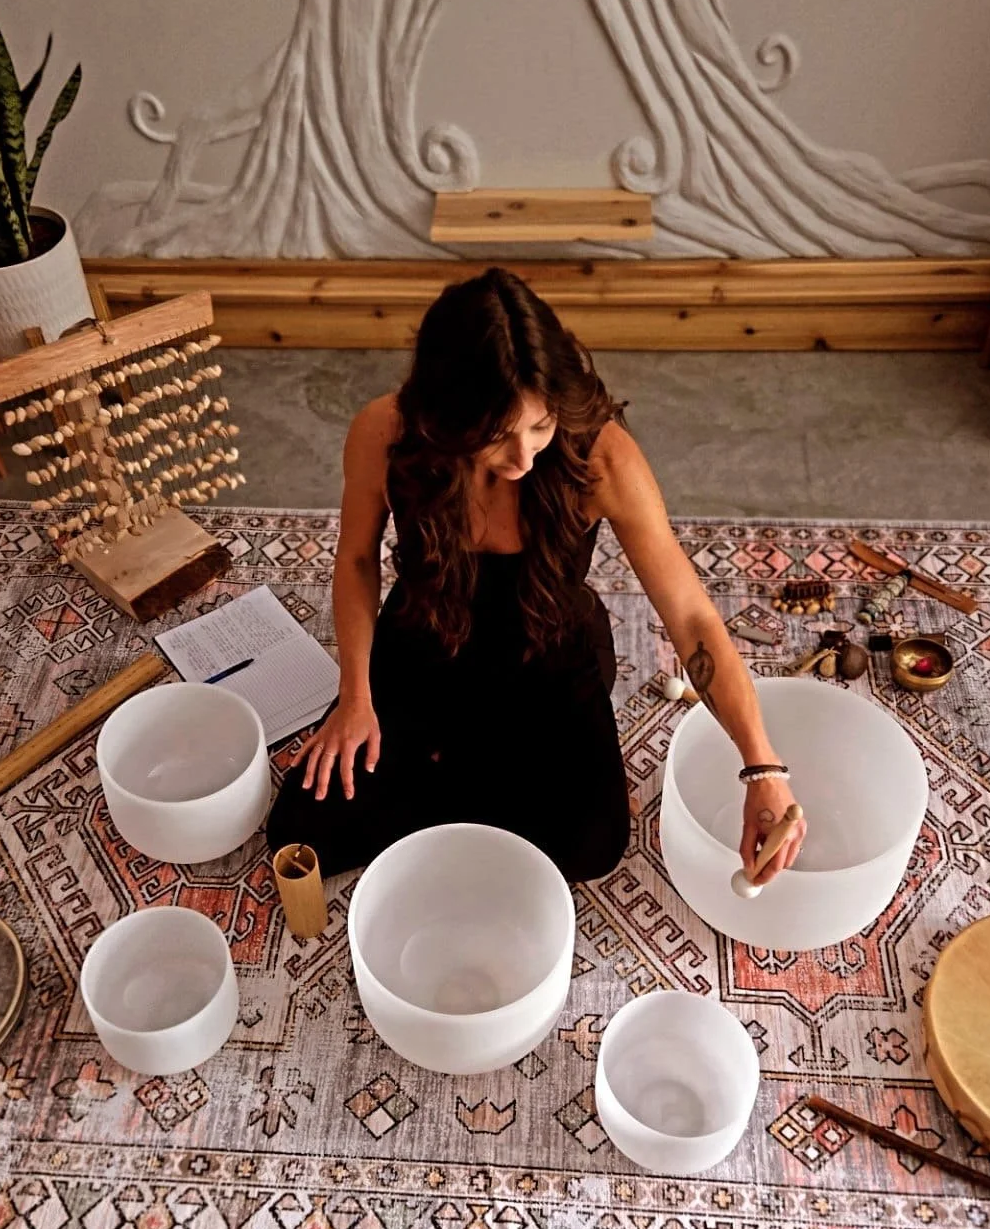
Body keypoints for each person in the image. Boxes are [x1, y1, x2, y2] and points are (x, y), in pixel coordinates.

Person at [264, 267, 804, 884]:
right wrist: (356, 699)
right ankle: (471, 789)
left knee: (592, 846)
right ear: (446, 415)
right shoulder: (384, 432)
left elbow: (690, 615)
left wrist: (763, 767)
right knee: (305, 832)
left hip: (547, 648)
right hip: (423, 640)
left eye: (541, 425)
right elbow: (357, 560)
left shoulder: (602, 456)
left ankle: (458, 790)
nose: (524, 457)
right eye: (497, 436)